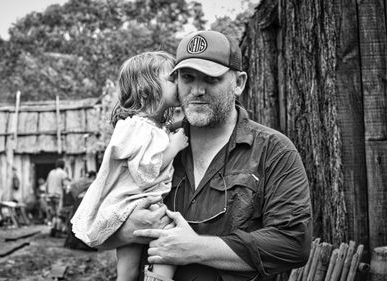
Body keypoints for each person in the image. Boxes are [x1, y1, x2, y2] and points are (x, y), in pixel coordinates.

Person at [101, 31, 313, 281]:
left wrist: (196, 249)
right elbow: (95, 222)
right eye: (188, 78)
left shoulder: (274, 151)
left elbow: (292, 244)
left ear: (239, 83)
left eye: (211, 79)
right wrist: (127, 229)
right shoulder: (151, 144)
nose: (197, 90)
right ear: (175, 81)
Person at [71, 51, 189, 281]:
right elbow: (146, 172)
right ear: (147, 89)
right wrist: (173, 147)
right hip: (134, 205)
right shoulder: (139, 128)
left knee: (128, 269)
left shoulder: (151, 126)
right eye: (172, 79)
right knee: (168, 235)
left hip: (132, 205)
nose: (179, 83)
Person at [46, 159, 71, 229]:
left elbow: (47, 185)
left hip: (50, 195)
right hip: (58, 195)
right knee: (59, 214)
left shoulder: (51, 172)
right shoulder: (63, 173)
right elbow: (67, 186)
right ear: (63, 165)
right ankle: (57, 230)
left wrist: (47, 195)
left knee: (53, 213)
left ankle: (53, 229)